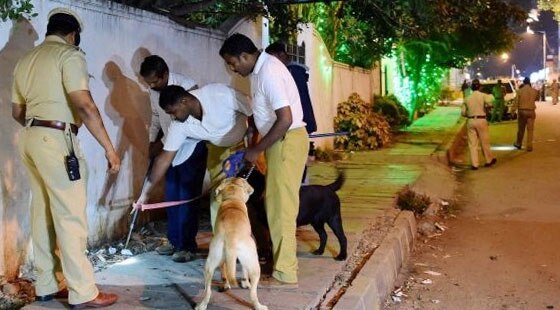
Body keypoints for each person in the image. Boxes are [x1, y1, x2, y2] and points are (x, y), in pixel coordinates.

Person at [11, 8, 119, 308]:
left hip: (30, 138)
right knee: (70, 216)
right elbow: (84, 105)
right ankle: (83, 292)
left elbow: (17, 112)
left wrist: (39, 130)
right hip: (57, 139)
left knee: (42, 212)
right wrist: (110, 149)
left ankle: (47, 284)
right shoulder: (69, 56)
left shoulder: (25, 61)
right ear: (72, 35)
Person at [220, 33, 309, 287]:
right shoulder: (259, 71)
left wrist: (257, 149)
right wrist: (252, 127)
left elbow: (285, 118)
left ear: (245, 56)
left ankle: (286, 270)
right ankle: (281, 263)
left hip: (286, 141)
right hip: (279, 141)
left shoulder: (268, 71)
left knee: (282, 208)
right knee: (274, 204)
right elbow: (266, 112)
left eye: (233, 63)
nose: (232, 69)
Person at [135, 84, 252, 233]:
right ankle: (223, 239)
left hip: (245, 145)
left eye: (173, 111)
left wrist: (253, 147)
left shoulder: (218, 94)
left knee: (248, 197)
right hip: (217, 149)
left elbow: (253, 111)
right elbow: (164, 159)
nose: (172, 116)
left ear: (184, 101)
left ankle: (253, 243)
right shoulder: (179, 124)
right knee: (219, 196)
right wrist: (145, 193)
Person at [139, 55, 207, 263]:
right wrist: (152, 141)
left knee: (186, 197)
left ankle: (187, 246)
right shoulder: (153, 91)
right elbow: (157, 118)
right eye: (148, 83)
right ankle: (174, 240)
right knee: (171, 195)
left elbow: (196, 118)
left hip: (191, 147)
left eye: (155, 81)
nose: (152, 86)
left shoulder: (188, 87)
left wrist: (166, 142)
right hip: (169, 148)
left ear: (166, 74)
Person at [265, 42, 317, 184]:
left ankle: (301, 198)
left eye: (273, 58)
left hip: (296, 125)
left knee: (294, 174)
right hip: (300, 123)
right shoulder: (293, 72)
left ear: (282, 55)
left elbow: (298, 102)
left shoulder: (291, 72)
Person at [461, 79, 497, 170]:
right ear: (479, 87)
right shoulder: (483, 96)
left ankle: (474, 164)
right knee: (484, 141)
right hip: (481, 120)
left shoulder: (467, 98)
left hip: (471, 121)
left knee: (472, 144)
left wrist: (469, 114)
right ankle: (488, 160)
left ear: (471, 88)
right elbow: (492, 100)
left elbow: (463, 113)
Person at [513, 77, 539, 152]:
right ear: (529, 82)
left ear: (524, 83)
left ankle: (519, 143)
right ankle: (529, 146)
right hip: (531, 111)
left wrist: (513, 110)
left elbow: (516, 102)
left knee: (521, 129)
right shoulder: (534, 91)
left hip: (522, 112)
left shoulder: (519, 91)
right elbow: (537, 98)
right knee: (530, 130)